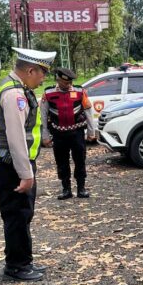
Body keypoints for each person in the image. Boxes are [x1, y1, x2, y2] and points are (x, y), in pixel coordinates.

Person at [0, 47, 56, 282]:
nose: (44, 79)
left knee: (21, 214)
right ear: (31, 70)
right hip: (10, 164)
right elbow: (16, 138)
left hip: (8, 163)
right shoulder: (15, 95)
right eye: (42, 73)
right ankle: (17, 266)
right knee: (17, 214)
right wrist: (26, 174)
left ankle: (23, 260)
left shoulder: (12, 87)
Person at [40, 67, 98, 200]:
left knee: (80, 160)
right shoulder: (48, 93)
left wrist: (91, 132)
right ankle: (66, 189)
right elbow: (43, 115)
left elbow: (88, 111)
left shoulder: (79, 91)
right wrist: (45, 135)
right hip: (58, 134)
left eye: (70, 83)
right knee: (62, 162)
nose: (68, 85)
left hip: (76, 133)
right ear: (58, 80)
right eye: (65, 83)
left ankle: (81, 188)